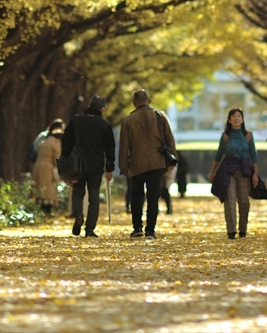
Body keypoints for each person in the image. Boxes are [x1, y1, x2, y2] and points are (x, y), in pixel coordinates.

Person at [118, 89, 176, 240]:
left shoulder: (128, 120)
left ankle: (137, 228)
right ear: (149, 100)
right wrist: (172, 159)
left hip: (136, 164)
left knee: (136, 195)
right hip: (157, 163)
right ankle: (150, 230)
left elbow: (124, 145)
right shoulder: (160, 116)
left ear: (134, 102)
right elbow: (169, 137)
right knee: (153, 196)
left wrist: (123, 166)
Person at [62, 96, 116, 237]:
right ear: (102, 109)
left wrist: (65, 160)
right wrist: (109, 168)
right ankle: (90, 229)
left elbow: (66, 141)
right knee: (94, 197)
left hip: (77, 166)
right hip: (96, 167)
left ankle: (79, 214)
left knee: (78, 193)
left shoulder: (76, 121)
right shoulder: (104, 125)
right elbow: (110, 148)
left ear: (88, 106)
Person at [209, 108, 260, 239]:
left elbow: (253, 155)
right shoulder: (225, 136)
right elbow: (219, 154)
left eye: (239, 116)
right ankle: (231, 231)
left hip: (244, 170)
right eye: (233, 116)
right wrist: (212, 172)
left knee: (244, 201)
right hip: (228, 170)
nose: (236, 118)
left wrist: (255, 173)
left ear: (242, 119)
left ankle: (243, 229)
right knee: (230, 200)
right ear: (229, 120)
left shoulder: (248, 135)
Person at [32, 120, 64, 214]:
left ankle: (39, 210)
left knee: (39, 188)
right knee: (48, 190)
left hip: (38, 166)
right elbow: (57, 159)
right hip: (47, 167)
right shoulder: (55, 144)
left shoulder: (43, 142)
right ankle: (47, 211)